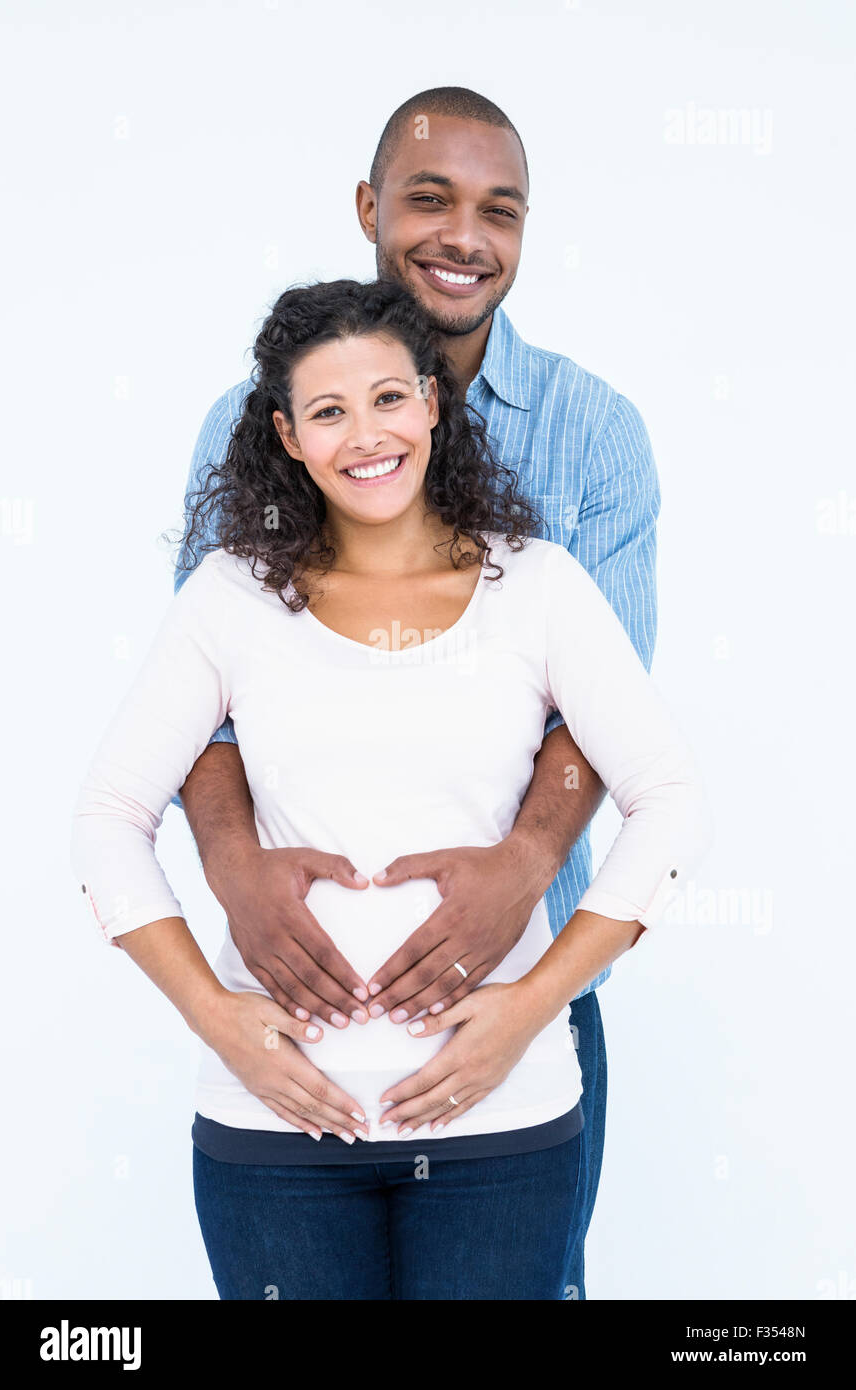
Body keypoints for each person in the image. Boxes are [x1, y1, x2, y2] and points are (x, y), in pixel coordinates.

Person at [72, 277, 711, 1300]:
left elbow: (667, 794)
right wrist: (212, 1013)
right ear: (285, 436)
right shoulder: (229, 597)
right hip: (275, 1135)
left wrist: (532, 1004)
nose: (364, 434)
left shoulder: (535, 584)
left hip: (498, 1124)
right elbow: (108, 817)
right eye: (326, 411)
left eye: (387, 398)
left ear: (431, 402)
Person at [171, 87, 663, 1298]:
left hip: (519, 994)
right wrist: (233, 870)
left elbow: (607, 728)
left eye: (499, 210)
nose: (463, 235)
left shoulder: (591, 433)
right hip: (300, 1003)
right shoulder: (250, 430)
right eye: (429, 198)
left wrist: (520, 866)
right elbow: (197, 711)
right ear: (368, 209)